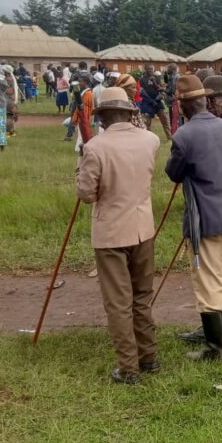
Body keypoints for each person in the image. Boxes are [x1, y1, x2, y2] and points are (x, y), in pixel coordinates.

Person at [75, 87, 161, 384]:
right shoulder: (151, 140)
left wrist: (80, 172)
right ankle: (148, 356)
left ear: (103, 117)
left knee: (118, 302)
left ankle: (128, 368)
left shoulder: (96, 147)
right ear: (128, 113)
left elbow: (86, 194)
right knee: (142, 296)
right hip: (142, 230)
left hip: (111, 233)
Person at [165, 75, 222, 359]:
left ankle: (216, 348)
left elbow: (174, 173)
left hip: (207, 221)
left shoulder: (183, 136)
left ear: (183, 106)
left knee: (209, 283)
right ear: (204, 101)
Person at [139, 67, 172, 140]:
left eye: (151, 69)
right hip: (147, 103)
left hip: (157, 102)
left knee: (164, 119)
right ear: (145, 70)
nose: (150, 70)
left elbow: (160, 89)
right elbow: (141, 92)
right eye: (149, 69)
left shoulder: (156, 78)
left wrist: (159, 97)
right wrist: (151, 101)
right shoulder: (142, 80)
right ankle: (149, 138)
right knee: (146, 122)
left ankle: (170, 136)